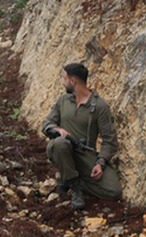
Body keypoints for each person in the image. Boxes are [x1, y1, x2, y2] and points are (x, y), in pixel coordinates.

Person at [42, 63, 122, 210]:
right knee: (59, 144)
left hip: (86, 155)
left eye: (64, 78)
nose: (62, 82)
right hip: (62, 151)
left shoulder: (99, 107)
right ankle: (75, 189)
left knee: (114, 191)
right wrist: (58, 130)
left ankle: (70, 177)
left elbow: (109, 140)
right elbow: (47, 123)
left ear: (73, 81)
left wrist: (100, 163)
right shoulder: (63, 101)